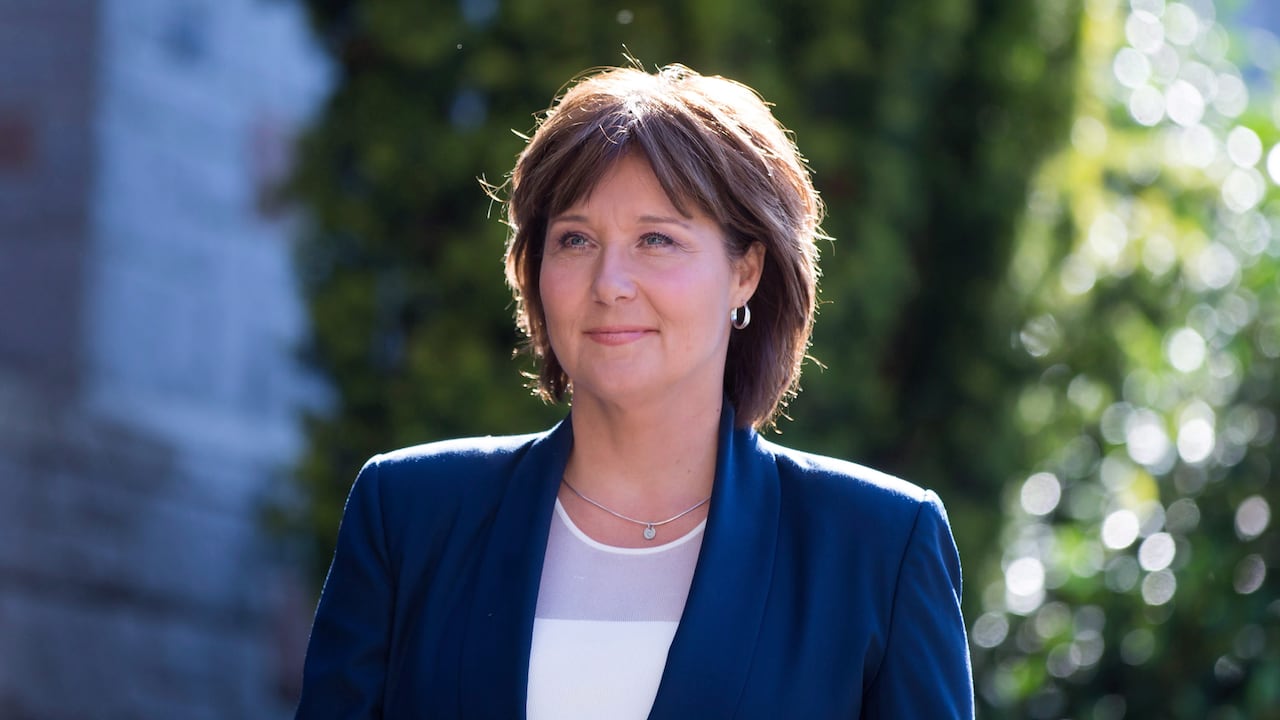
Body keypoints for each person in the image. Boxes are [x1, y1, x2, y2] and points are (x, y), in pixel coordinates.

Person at [294, 63, 973, 719]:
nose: (610, 283)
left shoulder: (878, 547)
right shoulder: (409, 515)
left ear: (745, 273)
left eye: (656, 239)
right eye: (574, 240)